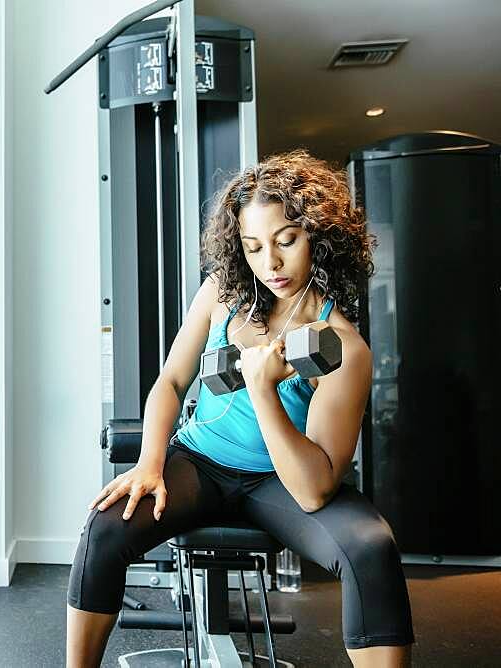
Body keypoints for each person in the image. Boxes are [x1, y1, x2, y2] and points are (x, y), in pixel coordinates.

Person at [66, 149, 415, 668]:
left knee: (370, 548)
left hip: (281, 480)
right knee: (106, 524)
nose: (270, 264)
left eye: (286, 241)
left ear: (319, 236)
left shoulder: (344, 347)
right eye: (253, 247)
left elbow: (313, 487)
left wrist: (262, 389)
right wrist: (150, 462)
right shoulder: (221, 296)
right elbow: (171, 380)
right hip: (200, 464)